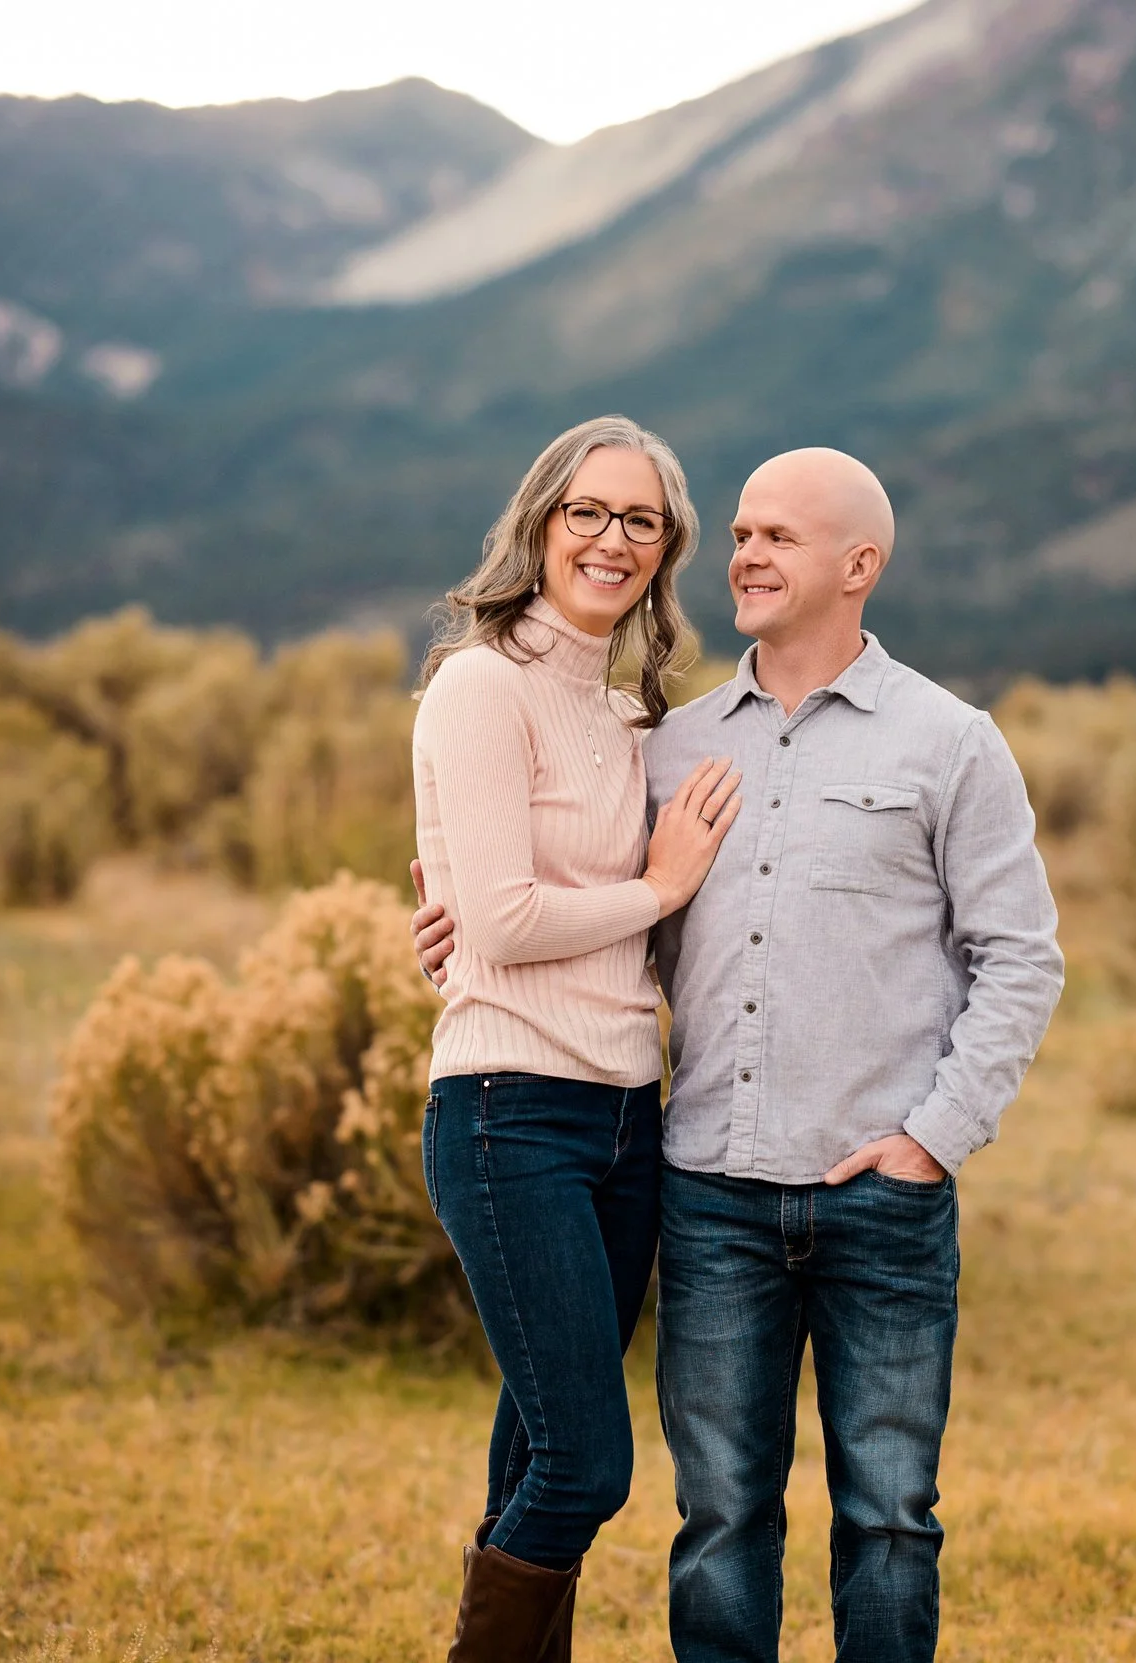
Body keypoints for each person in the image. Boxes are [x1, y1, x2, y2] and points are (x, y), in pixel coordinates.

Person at [415, 446, 1064, 1662]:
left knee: (887, 1519)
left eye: (780, 537)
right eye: (740, 534)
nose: (746, 556)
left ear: (860, 565)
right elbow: (601, 910)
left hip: (883, 1195)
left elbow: (1021, 957)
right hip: (705, 1190)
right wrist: (462, 930)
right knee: (715, 1518)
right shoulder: (672, 743)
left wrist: (935, 1137)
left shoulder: (949, 742)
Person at [410, 413, 742, 1662]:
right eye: (586, 513)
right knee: (587, 1464)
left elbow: (527, 907)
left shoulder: (629, 720)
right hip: (509, 1113)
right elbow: (498, 918)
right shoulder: (480, 684)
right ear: (540, 525)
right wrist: (654, 892)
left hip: (624, 1120)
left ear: (664, 554)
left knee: (532, 1450)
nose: (610, 539)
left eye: (639, 521)